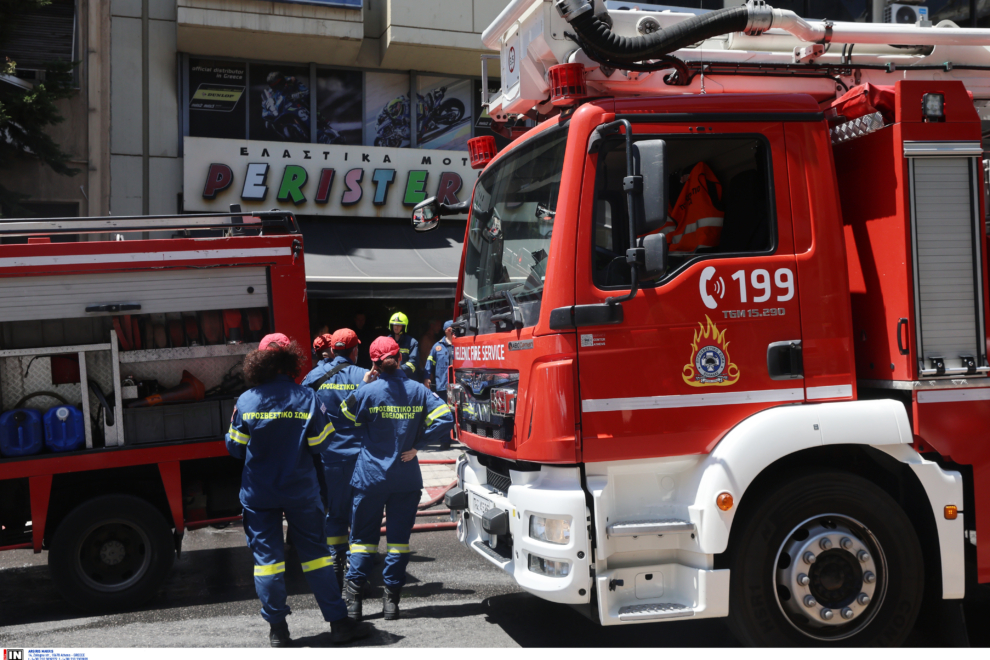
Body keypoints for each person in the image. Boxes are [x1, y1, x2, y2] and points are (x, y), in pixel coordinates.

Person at [225, 333, 366, 646]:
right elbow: (320, 444)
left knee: (268, 562)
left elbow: (235, 448)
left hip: (259, 494)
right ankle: (339, 625)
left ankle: (278, 630)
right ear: (291, 360)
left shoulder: (246, 401)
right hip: (300, 491)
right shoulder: (306, 397)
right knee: (316, 557)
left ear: (258, 362)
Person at [339, 336, 454, 621]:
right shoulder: (418, 390)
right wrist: (419, 445)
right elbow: (446, 418)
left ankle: (353, 603)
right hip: (406, 480)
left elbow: (344, 411)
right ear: (400, 359)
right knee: (398, 542)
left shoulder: (369, 390)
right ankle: (391, 603)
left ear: (374, 364)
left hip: (370, 477)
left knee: (363, 541)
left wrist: (366, 384)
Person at [306, 328, 375, 589]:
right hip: (362, 457)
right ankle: (356, 574)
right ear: (355, 350)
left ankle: (335, 561)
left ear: (332, 350)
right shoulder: (366, 377)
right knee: (360, 516)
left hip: (329, 457)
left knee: (334, 514)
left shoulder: (314, 377)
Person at [652, 162, 724, 253]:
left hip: (705, 251)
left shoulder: (701, 179)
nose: (682, 180)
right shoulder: (681, 197)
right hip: (687, 253)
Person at [424, 320, 455, 450]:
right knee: (444, 413)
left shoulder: (461, 344)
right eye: (454, 329)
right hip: (443, 386)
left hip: (458, 386)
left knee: (459, 413)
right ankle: (445, 440)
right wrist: (426, 378)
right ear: (448, 330)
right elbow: (429, 363)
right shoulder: (437, 347)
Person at [388, 312, 419, 381]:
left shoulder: (412, 342)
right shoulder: (387, 341)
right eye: (394, 325)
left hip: (407, 380)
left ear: (404, 327)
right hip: (390, 379)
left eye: (399, 325)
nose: (396, 327)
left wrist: (398, 369)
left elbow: (413, 363)